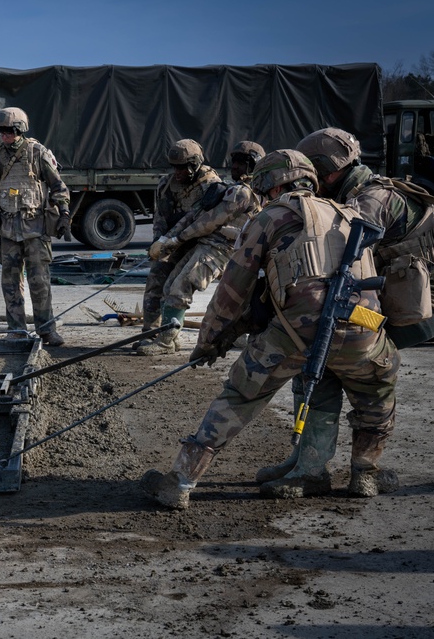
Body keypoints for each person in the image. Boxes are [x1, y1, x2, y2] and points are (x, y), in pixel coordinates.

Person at [140, 149, 400, 510]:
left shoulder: (269, 217)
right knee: (376, 393)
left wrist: (209, 340)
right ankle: (365, 473)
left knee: (239, 396)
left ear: (270, 185)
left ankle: (180, 482)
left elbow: (232, 290)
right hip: (364, 331)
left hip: (297, 334)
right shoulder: (349, 214)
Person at [256, 128, 434, 498]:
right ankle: (309, 460)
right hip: (395, 298)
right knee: (324, 354)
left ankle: (349, 470)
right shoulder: (355, 192)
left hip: (423, 309)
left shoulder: (372, 199)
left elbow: (338, 255)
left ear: (327, 171)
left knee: (344, 359)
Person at [0, 107, 71, 347]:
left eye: (9, 131)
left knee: (40, 283)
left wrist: (64, 214)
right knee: (10, 284)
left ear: (19, 129)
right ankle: (16, 330)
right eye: (1, 132)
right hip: (8, 230)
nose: (4, 136)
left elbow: (58, 186)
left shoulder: (37, 153)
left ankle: (46, 330)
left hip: (36, 229)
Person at [137, 139, 231, 355]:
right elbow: (160, 216)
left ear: (196, 163)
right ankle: (150, 333)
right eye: (174, 167)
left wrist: (172, 240)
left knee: (177, 287)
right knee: (156, 280)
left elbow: (197, 220)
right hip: (172, 242)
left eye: (183, 167)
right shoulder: (166, 184)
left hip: (198, 242)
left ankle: (168, 338)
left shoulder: (211, 186)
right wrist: (157, 242)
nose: (177, 172)